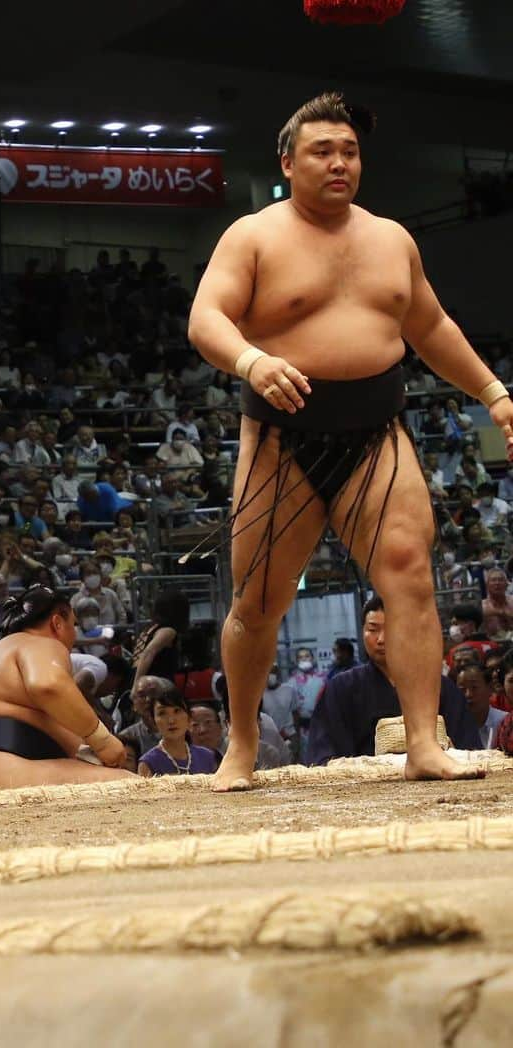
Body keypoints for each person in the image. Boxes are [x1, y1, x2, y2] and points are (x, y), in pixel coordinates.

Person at [187, 91, 510, 787]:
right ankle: (241, 745)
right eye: (322, 151)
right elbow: (206, 318)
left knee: (411, 578)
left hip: (377, 433)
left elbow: (432, 329)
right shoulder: (253, 236)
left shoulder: (392, 239)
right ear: (287, 161)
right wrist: (251, 360)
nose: (339, 163)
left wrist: (493, 392)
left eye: (350, 151)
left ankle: (423, 742)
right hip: (283, 439)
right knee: (260, 599)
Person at [0, 585, 137, 792]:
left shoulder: (2, 655)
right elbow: (48, 685)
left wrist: (90, 750)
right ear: (57, 623)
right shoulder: (39, 642)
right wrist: (102, 740)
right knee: (129, 785)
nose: (73, 635)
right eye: (73, 625)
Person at [304, 596, 479, 765]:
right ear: (362, 632)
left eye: (391, 629)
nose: (381, 639)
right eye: (373, 630)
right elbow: (323, 754)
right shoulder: (341, 688)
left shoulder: (440, 687)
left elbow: (468, 750)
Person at [136, 682, 218, 777]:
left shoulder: (207, 756)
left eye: (177, 711)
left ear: (189, 717)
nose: (171, 720)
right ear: (153, 720)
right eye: (162, 713)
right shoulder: (148, 763)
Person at [458, 662, 506, 750]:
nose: (468, 694)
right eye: (462, 689)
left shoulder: (505, 722)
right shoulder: (452, 724)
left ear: (490, 688)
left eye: (474, 687)